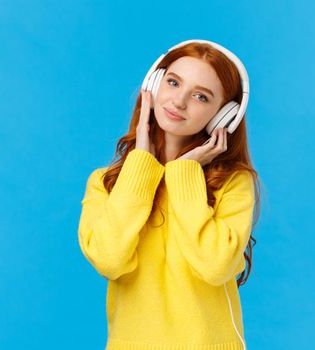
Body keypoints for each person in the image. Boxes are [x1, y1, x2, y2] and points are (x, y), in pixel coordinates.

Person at [78, 39, 263, 350]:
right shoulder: (106, 182)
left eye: (201, 96)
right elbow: (109, 260)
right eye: (174, 82)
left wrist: (185, 175)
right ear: (153, 85)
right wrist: (140, 166)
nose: (179, 101)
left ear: (223, 117)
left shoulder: (231, 183)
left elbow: (215, 266)